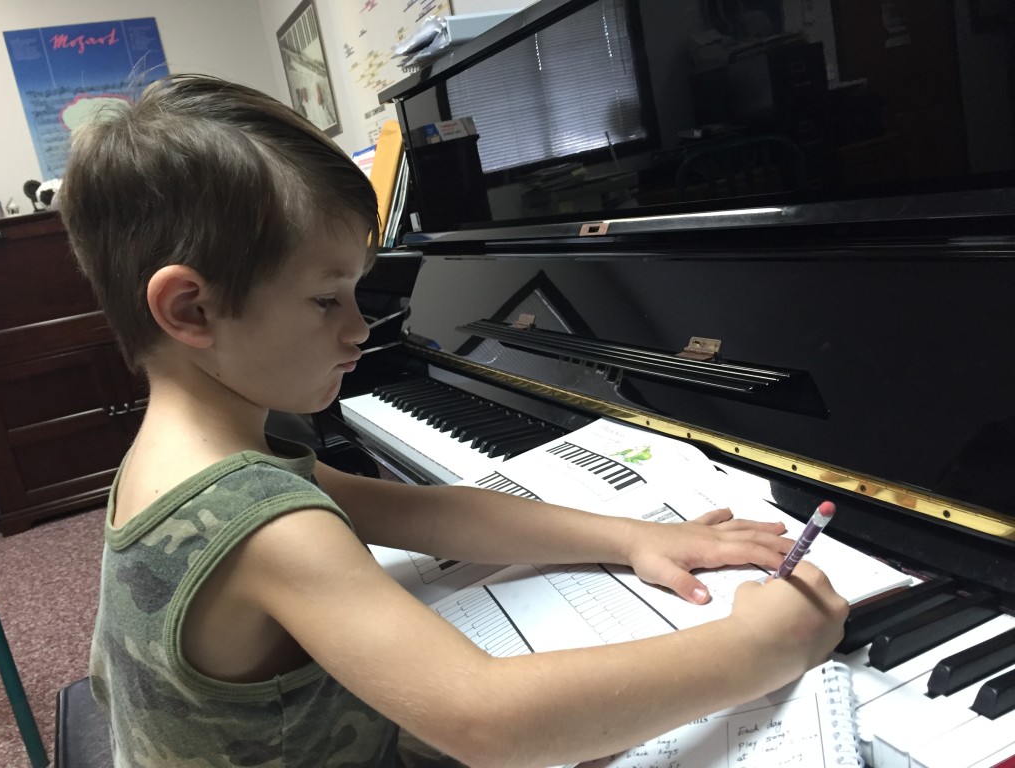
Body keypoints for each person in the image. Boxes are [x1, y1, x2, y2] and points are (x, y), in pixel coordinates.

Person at [58, 74, 848, 768]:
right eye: (326, 298)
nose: (359, 329)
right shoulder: (265, 526)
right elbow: (486, 720)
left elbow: (422, 510)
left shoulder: (189, 448)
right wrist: (757, 647)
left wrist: (636, 536)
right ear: (191, 309)